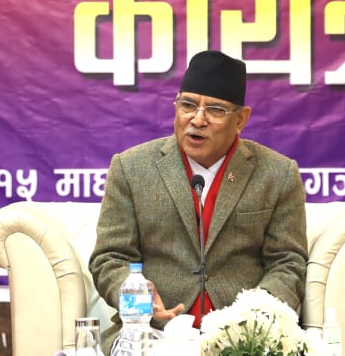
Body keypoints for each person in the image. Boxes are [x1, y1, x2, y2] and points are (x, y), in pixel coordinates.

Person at [89, 50, 307, 350]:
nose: (198, 119)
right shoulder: (131, 168)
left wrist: (256, 313)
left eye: (215, 110)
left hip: (242, 338)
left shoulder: (277, 174)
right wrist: (136, 296)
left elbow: (288, 262)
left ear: (241, 119)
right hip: (152, 333)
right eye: (188, 105)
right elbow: (109, 258)